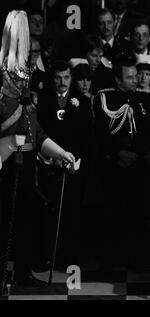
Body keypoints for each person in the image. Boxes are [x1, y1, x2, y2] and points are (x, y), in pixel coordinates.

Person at [0, 10, 75, 291]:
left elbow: (36, 129)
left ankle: (22, 273)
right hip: (5, 160)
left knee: (27, 219)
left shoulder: (26, 80)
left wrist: (59, 152)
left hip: (27, 161)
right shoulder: (4, 79)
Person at [93, 56, 150, 272]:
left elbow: (147, 134)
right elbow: (101, 132)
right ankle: (111, 261)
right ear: (118, 80)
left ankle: (137, 261)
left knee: (137, 215)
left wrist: (134, 154)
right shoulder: (104, 99)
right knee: (112, 214)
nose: (135, 80)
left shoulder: (146, 100)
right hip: (113, 165)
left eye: (136, 76)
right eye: (129, 77)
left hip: (137, 165)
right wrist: (118, 153)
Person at [36, 60, 93, 268]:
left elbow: (86, 136)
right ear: (53, 79)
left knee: (71, 213)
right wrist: (48, 156)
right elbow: (39, 131)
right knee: (46, 212)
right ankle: (44, 256)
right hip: (47, 163)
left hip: (72, 166)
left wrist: (75, 159)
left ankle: (67, 258)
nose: (62, 82)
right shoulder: (42, 100)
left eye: (67, 77)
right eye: (58, 77)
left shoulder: (82, 101)